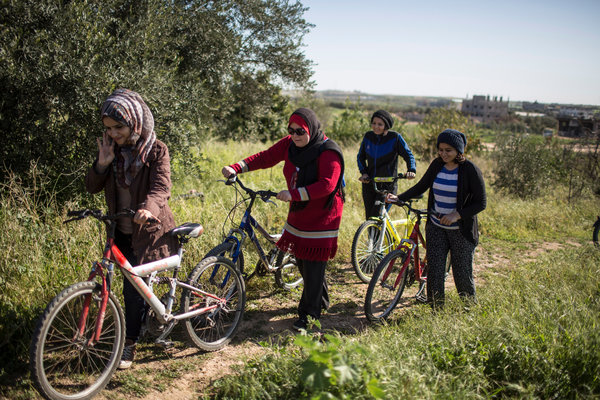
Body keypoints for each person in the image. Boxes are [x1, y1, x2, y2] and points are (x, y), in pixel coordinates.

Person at [221, 108, 344, 331]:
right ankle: (321, 298)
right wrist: (237, 167)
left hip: (323, 214)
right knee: (302, 260)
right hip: (299, 207)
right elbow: (266, 157)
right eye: (291, 130)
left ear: (312, 129)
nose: (295, 135)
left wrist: (294, 194)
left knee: (313, 262)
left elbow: (328, 185)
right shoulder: (289, 145)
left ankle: (309, 315)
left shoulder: (328, 151)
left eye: (300, 131)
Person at [85, 89, 178, 369]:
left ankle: (130, 344)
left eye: (118, 127)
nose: (113, 134)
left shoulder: (156, 149)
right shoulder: (112, 151)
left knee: (133, 289)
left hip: (148, 231)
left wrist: (148, 208)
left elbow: (161, 187)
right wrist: (101, 164)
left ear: (135, 122)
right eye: (108, 128)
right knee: (127, 285)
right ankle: (124, 330)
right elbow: (92, 187)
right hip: (120, 231)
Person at [386, 129, 486, 307]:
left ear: (458, 151)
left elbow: (481, 203)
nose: (443, 154)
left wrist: (457, 215)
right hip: (436, 227)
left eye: (448, 150)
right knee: (435, 272)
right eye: (440, 149)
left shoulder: (470, 170)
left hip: (461, 232)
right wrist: (400, 198)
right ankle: (436, 310)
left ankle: (470, 310)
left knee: (462, 274)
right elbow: (422, 186)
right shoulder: (437, 165)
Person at [357, 109, 416, 219]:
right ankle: (372, 237)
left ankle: (380, 236)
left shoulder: (395, 138)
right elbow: (360, 157)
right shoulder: (368, 136)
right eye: (374, 123)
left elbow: (408, 155)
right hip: (370, 183)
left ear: (386, 125)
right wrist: (364, 173)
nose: (376, 127)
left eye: (380, 124)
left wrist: (411, 170)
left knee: (378, 215)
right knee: (369, 218)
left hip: (388, 185)